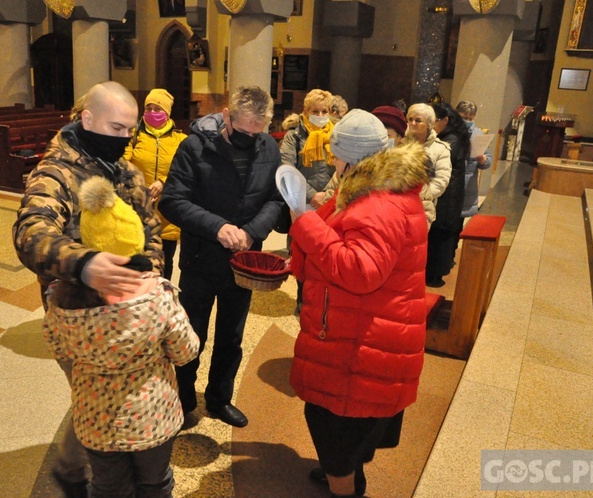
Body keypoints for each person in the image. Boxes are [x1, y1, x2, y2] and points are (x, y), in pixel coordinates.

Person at [12, 81, 163, 495]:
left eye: (129, 131)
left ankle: (104, 462)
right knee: (93, 394)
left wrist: (151, 277)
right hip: (77, 310)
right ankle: (74, 469)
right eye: (116, 129)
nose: (124, 139)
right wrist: (84, 263)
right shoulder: (56, 172)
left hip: (129, 303)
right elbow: (31, 232)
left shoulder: (127, 172)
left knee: (113, 392)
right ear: (88, 118)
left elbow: (151, 232)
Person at [289, 109, 430, 497]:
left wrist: (304, 222)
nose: (332, 161)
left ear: (350, 158)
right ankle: (349, 473)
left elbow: (358, 271)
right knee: (346, 425)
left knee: (334, 426)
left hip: (364, 341)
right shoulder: (373, 188)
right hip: (367, 328)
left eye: (336, 154)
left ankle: (345, 486)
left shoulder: (378, 203)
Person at [44, 175, 199, 498]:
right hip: (152, 417)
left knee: (109, 487)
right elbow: (186, 351)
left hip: (95, 419)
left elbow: (58, 347)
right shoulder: (157, 295)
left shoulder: (61, 297)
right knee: (155, 483)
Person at [159, 85, 284, 428]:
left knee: (232, 336)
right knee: (190, 336)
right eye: (243, 130)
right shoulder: (195, 146)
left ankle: (219, 399)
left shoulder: (269, 147)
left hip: (243, 264)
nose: (250, 138)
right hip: (201, 259)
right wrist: (217, 227)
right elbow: (172, 200)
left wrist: (253, 231)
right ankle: (182, 401)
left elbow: (275, 199)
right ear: (227, 116)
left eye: (256, 133)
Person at [280, 89, 335, 315]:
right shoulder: (294, 136)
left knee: (328, 252)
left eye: (325, 111)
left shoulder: (337, 134)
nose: (320, 115)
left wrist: (329, 194)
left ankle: (324, 301)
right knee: (303, 253)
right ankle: (303, 300)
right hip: (303, 201)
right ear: (305, 111)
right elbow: (287, 167)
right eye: (315, 111)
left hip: (331, 200)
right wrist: (312, 194)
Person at [124, 89, 187, 280]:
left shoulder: (180, 140)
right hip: (138, 209)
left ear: (167, 112)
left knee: (164, 262)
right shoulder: (133, 136)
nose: (152, 112)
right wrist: (139, 186)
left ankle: (161, 298)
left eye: (157, 108)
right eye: (148, 108)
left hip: (167, 212)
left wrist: (163, 182)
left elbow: (184, 171)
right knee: (136, 261)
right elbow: (121, 164)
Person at [425, 102, 470, 288]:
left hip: (447, 197)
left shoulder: (451, 140)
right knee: (438, 235)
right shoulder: (450, 136)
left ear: (445, 120)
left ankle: (435, 275)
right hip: (446, 195)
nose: (431, 125)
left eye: (433, 121)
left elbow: (435, 162)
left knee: (440, 234)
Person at [372, 105, 435, 228]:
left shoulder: (412, 167)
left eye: (387, 136)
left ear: (400, 138)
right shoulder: (358, 162)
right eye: (376, 136)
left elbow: (426, 211)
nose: (381, 141)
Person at [456, 100, 493, 218]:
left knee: (460, 225)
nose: (467, 121)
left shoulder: (479, 134)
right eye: (463, 117)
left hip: (468, 186)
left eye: (470, 118)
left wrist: (484, 160)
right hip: (451, 182)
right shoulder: (449, 132)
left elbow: (488, 158)